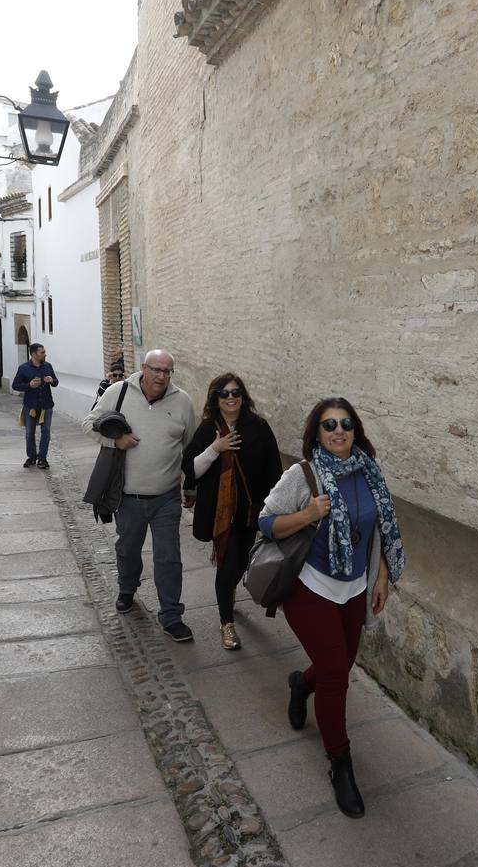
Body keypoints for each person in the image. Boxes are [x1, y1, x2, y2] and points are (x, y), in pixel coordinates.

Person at [258, 397, 405, 819]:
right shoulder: (303, 475)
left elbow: (377, 528)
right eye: (328, 425)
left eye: (345, 424)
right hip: (311, 588)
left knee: (337, 666)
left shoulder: (369, 472)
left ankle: (302, 685)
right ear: (316, 433)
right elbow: (266, 522)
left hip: (354, 586)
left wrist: (380, 577)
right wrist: (306, 514)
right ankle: (340, 765)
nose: (338, 431)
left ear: (355, 429)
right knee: (337, 674)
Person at [81, 350, 197, 642]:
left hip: (166, 498)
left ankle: (171, 615)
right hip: (128, 497)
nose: (161, 376)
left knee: (169, 557)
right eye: (156, 369)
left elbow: (190, 448)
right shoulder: (118, 392)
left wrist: (190, 487)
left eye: (167, 371)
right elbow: (88, 423)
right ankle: (127, 588)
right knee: (128, 550)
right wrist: (115, 440)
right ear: (144, 368)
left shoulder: (182, 401)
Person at [182, 373, 282, 651]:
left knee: (240, 564)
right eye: (224, 394)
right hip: (221, 515)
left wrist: (273, 507)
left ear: (243, 397)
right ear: (216, 398)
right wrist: (215, 448)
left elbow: (274, 469)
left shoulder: (258, 427)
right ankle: (227, 622)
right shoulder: (207, 430)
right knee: (227, 566)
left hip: (252, 513)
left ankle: (228, 594)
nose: (230, 398)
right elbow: (191, 468)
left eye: (235, 393)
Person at [12, 342, 59, 469]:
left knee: (46, 432)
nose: (45, 354)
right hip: (30, 405)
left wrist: (52, 380)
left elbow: (56, 382)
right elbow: (15, 385)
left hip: (46, 405)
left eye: (44, 352)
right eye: (42, 352)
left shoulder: (48, 366)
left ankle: (42, 459)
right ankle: (32, 457)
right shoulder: (23, 368)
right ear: (33, 354)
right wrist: (29, 386)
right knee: (29, 433)